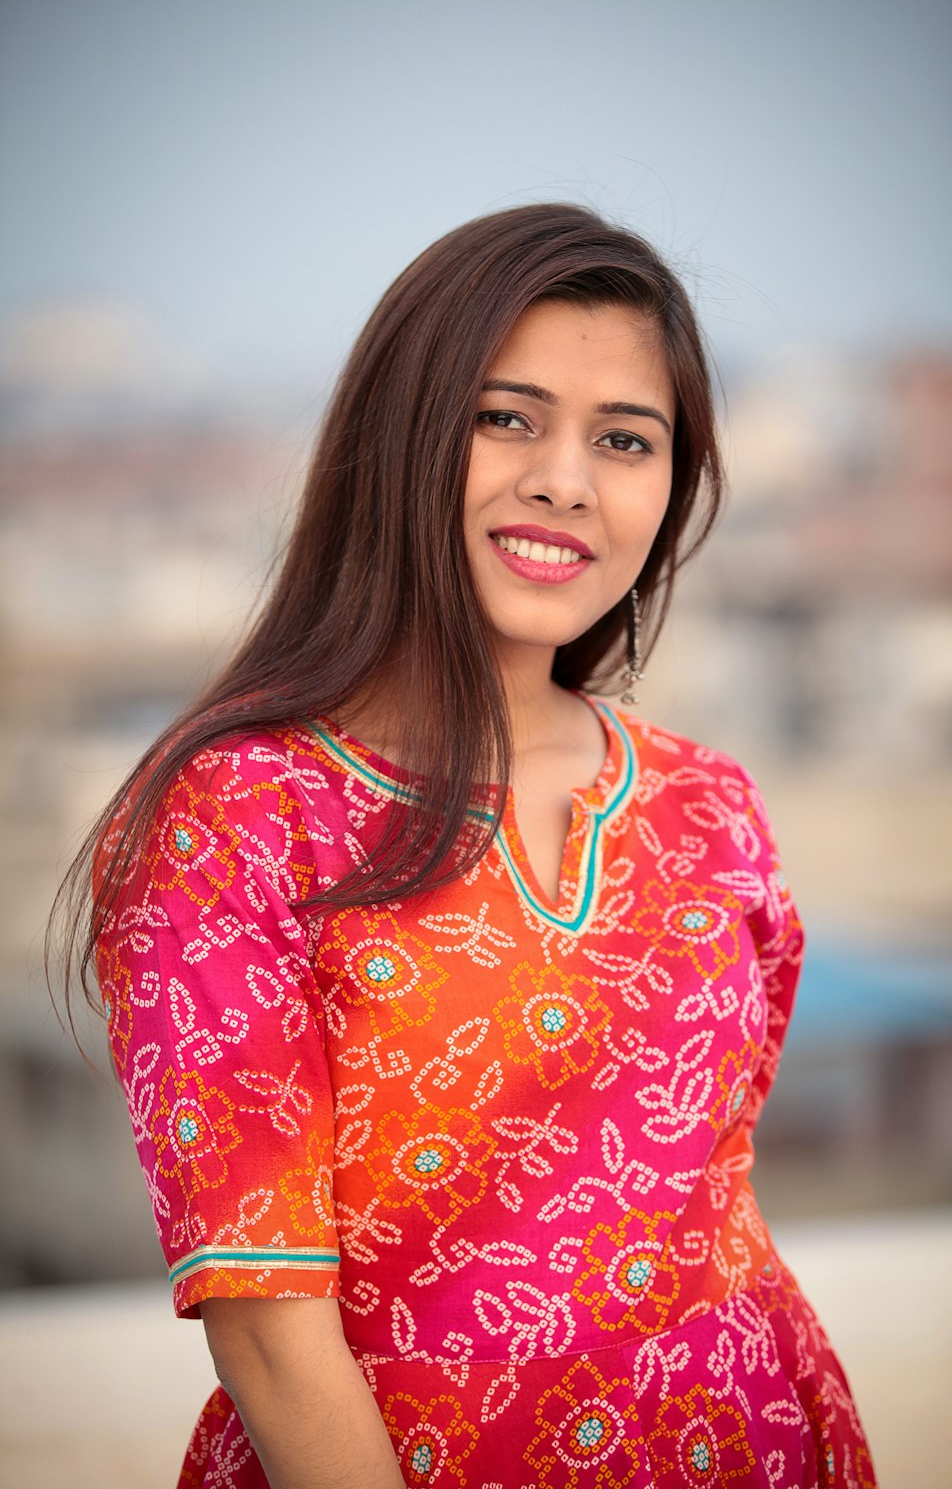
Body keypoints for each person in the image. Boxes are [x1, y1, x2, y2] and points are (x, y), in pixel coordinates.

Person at [56, 203, 876, 1487]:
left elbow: (713, 1200)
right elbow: (267, 1326)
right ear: (398, 437)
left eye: (625, 440)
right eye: (507, 417)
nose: (565, 479)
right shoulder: (236, 818)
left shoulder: (707, 807)